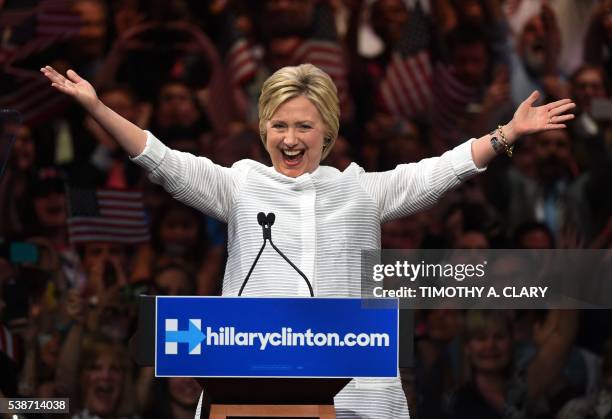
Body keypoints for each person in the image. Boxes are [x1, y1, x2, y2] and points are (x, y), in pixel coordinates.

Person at [41, 62, 575, 418]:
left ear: (328, 131)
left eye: (303, 126)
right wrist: (95, 106)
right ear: (262, 130)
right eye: (278, 126)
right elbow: (160, 159)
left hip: (354, 387)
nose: (290, 139)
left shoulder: (361, 191)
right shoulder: (240, 184)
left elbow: (441, 170)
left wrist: (507, 134)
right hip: (252, 379)